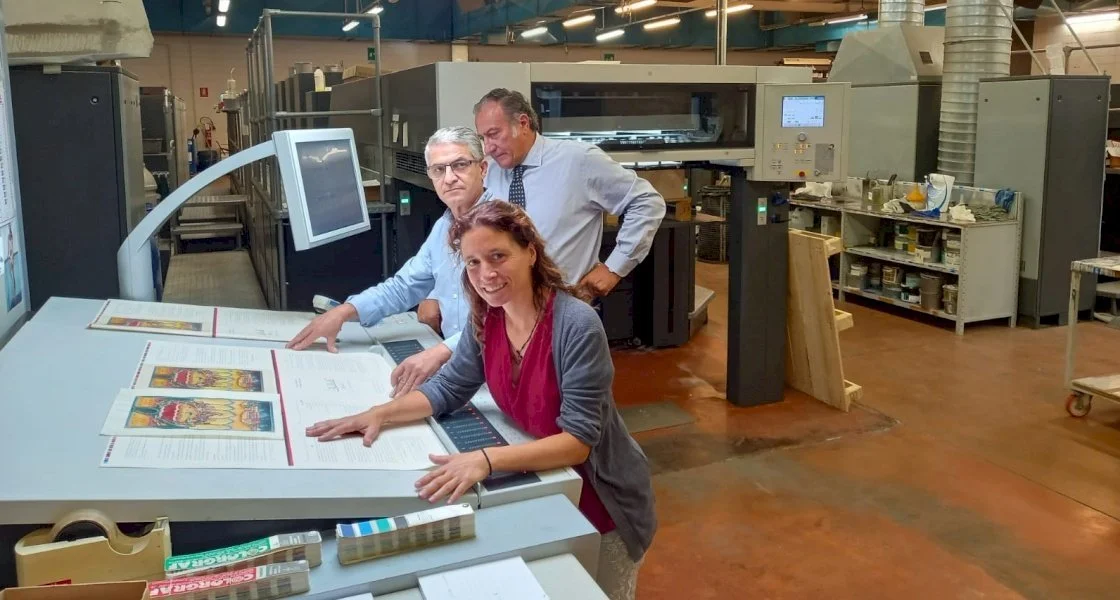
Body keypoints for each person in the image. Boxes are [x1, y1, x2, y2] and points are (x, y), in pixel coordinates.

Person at [306, 201, 656, 600]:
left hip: (602, 499)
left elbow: (577, 442)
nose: (486, 275)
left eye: (498, 256)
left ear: (530, 252)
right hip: (545, 486)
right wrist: (379, 414)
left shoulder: (576, 325)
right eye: (473, 263)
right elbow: (448, 389)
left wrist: (484, 459)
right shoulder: (489, 318)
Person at [287, 126, 492, 398]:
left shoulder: (502, 228)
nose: (449, 178)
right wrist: (345, 311)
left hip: (497, 369)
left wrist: (443, 351)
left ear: (483, 169)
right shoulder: (445, 226)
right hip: (464, 367)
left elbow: (504, 316)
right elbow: (404, 287)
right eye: (439, 170)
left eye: (460, 165)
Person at [474, 88, 666, 298]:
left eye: (493, 134)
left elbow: (647, 202)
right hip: (508, 307)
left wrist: (615, 267)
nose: (488, 148)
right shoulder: (489, 172)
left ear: (523, 124)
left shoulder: (578, 160)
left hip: (564, 307)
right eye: (483, 138)